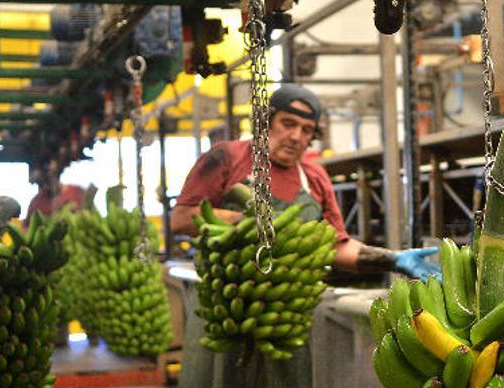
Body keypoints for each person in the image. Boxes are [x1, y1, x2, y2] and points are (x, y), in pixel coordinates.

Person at [171, 84, 440, 281]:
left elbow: (335, 246)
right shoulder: (227, 157)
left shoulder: (314, 177)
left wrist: (392, 259)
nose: (296, 136)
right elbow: (182, 218)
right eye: (287, 124)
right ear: (266, 122)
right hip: (226, 295)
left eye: (306, 130)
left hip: (289, 303)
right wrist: (254, 223)